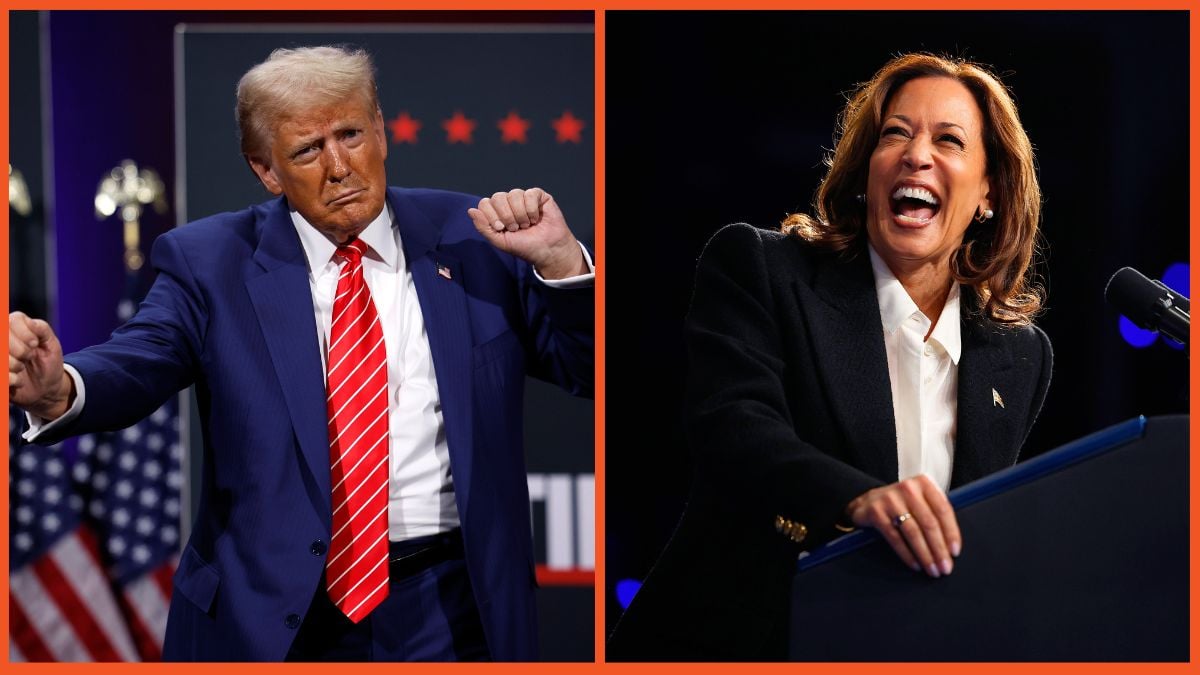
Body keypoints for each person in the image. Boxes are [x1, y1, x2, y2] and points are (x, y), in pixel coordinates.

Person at [8, 45, 593, 662]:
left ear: (382, 131)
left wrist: (562, 266)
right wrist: (59, 388)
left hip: (451, 605)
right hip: (272, 612)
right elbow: (140, 358)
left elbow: (588, 370)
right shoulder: (211, 262)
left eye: (351, 134)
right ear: (265, 169)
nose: (340, 166)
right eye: (308, 151)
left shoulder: (473, 236)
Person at [607, 53, 1051, 660]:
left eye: (949, 140)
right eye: (896, 133)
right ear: (867, 170)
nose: (917, 154)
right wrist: (856, 499)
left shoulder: (1017, 354)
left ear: (989, 193)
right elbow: (734, 427)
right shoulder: (761, 269)